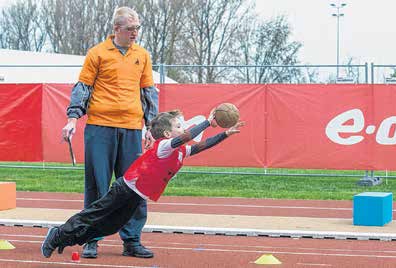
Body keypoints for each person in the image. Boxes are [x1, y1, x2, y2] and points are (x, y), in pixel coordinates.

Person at [41, 109, 244, 258]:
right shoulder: (164, 146)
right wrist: (208, 122)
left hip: (136, 196)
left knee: (109, 226)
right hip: (124, 189)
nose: (184, 128)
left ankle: (64, 239)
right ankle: (57, 234)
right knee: (92, 215)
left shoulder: (182, 151)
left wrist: (225, 134)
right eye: (179, 126)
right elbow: (187, 137)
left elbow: (202, 145)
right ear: (166, 134)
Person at [61, 6, 158, 259]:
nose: (135, 33)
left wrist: (151, 127)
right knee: (98, 186)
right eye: (130, 29)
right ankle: (91, 238)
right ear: (116, 29)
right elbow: (83, 87)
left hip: (131, 129)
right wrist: (72, 119)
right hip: (99, 128)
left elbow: (148, 93)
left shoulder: (143, 55)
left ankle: (132, 240)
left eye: (137, 28)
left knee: (134, 186)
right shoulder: (97, 53)